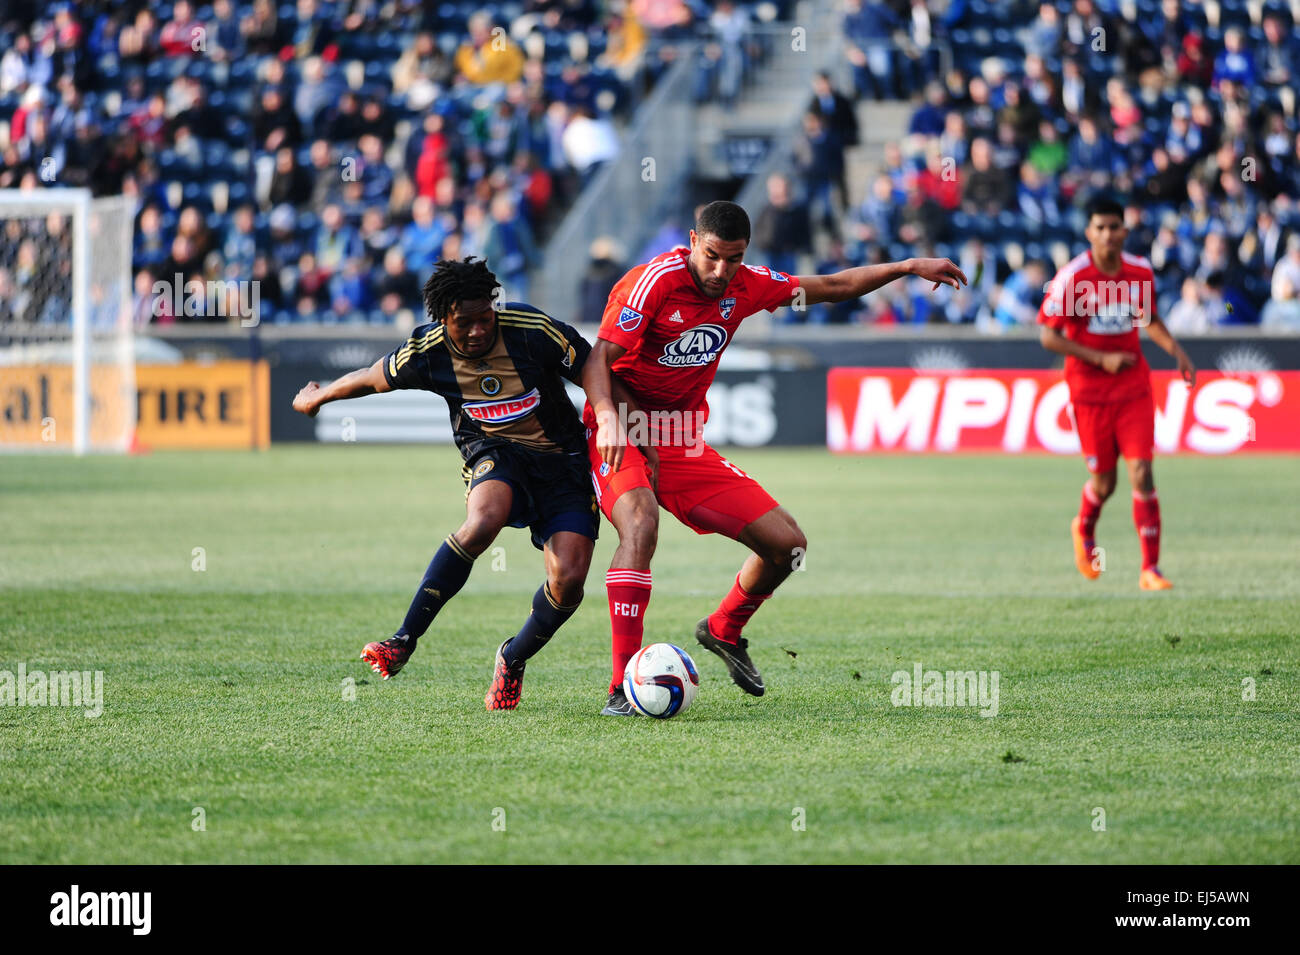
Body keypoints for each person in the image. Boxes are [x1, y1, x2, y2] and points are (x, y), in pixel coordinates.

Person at [582, 201, 965, 713]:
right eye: (713, 256)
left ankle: (723, 631)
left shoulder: (748, 284)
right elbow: (597, 360)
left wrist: (906, 267)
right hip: (621, 427)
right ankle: (622, 687)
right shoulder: (652, 283)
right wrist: (608, 415)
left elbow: (831, 287)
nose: (722, 271)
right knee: (640, 522)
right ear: (694, 241)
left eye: (734, 259)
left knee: (789, 546)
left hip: (680, 438)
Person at [291, 258, 598, 710]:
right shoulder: (428, 351)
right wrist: (320, 395)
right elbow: (373, 378)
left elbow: (590, 365)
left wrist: (609, 416)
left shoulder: (530, 328)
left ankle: (512, 659)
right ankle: (403, 639)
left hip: (563, 460)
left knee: (569, 579)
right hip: (495, 453)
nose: (477, 330)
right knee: (483, 520)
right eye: (464, 322)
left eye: (484, 318)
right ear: (442, 319)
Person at [1037, 196, 1196, 591]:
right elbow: (1048, 336)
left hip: (1132, 387)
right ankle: (1084, 526)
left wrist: (1177, 353)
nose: (1108, 234)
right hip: (1089, 391)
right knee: (1104, 483)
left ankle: (1150, 570)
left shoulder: (1139, 272)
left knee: (1142, 471)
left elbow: (1149, 319)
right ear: (1090, 232)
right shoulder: (1073, 277)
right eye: (1100, 227)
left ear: (1125, 230)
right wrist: (1098, 358)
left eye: (1115, 227)